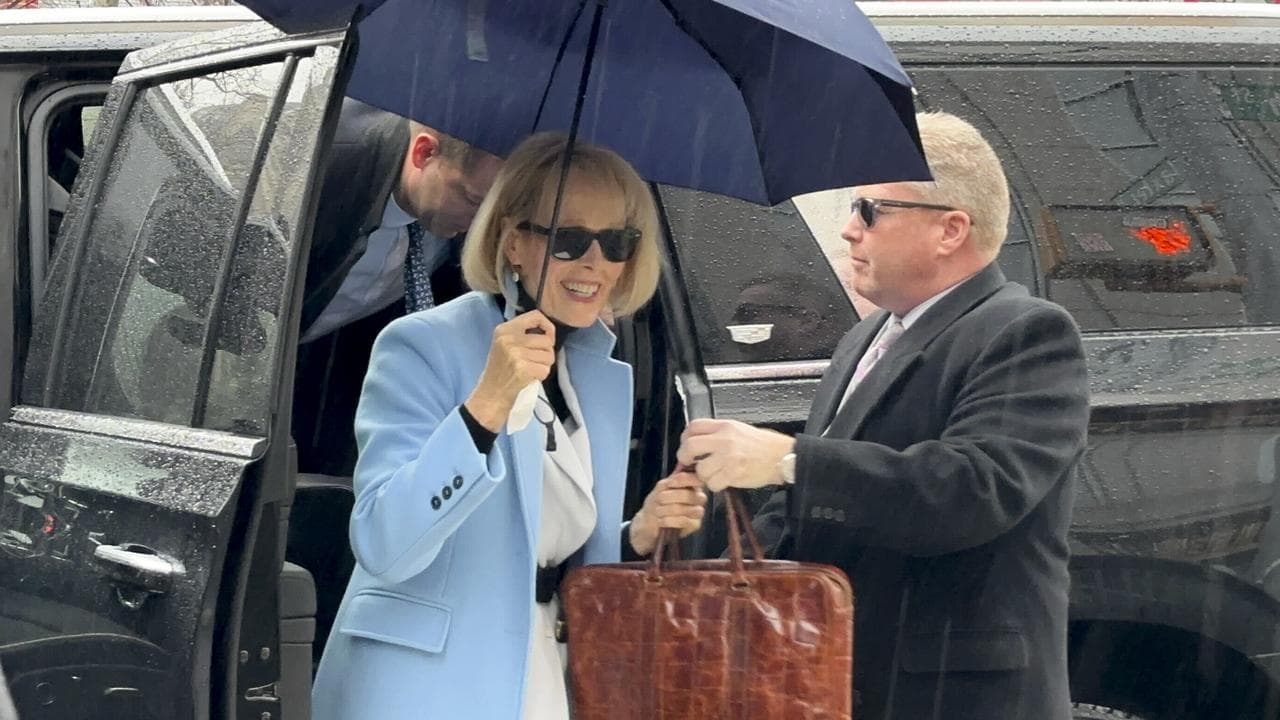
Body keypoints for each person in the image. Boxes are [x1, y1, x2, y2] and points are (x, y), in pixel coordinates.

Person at [677, 112, 1090, 720]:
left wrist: (788, 459)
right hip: (845, 681)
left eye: (870, 210)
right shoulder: (867, 336)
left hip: (956, 698)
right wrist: (710, 568)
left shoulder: (1026, 331)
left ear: (950, 229)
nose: (848, 231)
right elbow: (810, 508)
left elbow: (971, 491)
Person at [311, 133, 708, 719]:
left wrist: (636, 534)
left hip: (544, 673)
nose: (595, 263)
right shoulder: (424, 345)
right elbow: (382, 541)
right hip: (426, 688)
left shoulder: (595, 372)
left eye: (616, 241)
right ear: (513, 241)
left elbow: (547, 553)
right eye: (570, 239)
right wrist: (485, 409)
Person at [293, 98, 503, 475]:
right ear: (424, 152)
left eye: (492, 211)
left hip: (347, 391)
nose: (478, 226)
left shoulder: (458, 216)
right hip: (260, 369)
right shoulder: (320, 161)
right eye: (472, 200)